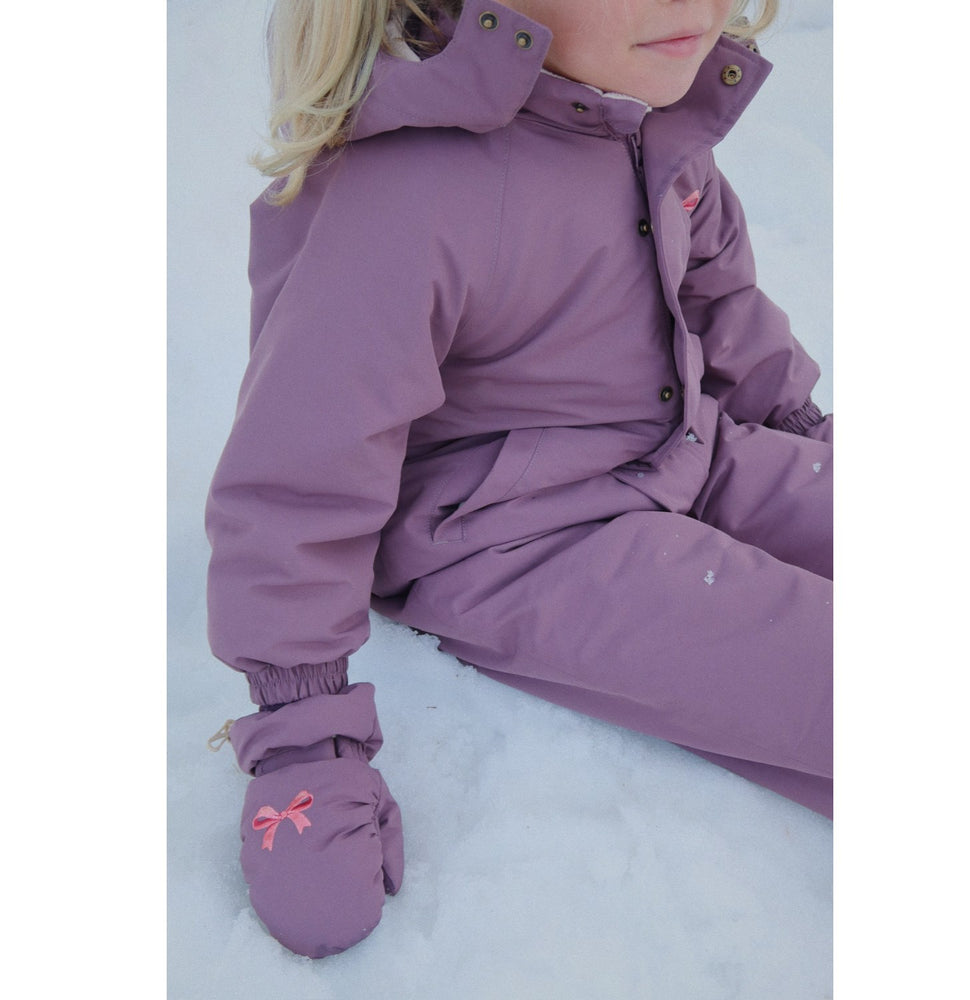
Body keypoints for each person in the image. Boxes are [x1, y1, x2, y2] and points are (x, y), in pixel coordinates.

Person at [205, 0, 832, 960]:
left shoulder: (639, 110)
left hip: (685, 448)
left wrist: (804, 447)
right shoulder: (402, 193)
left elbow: (721, 299)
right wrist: (303, 739)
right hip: (522, 538)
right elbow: (297, 473)